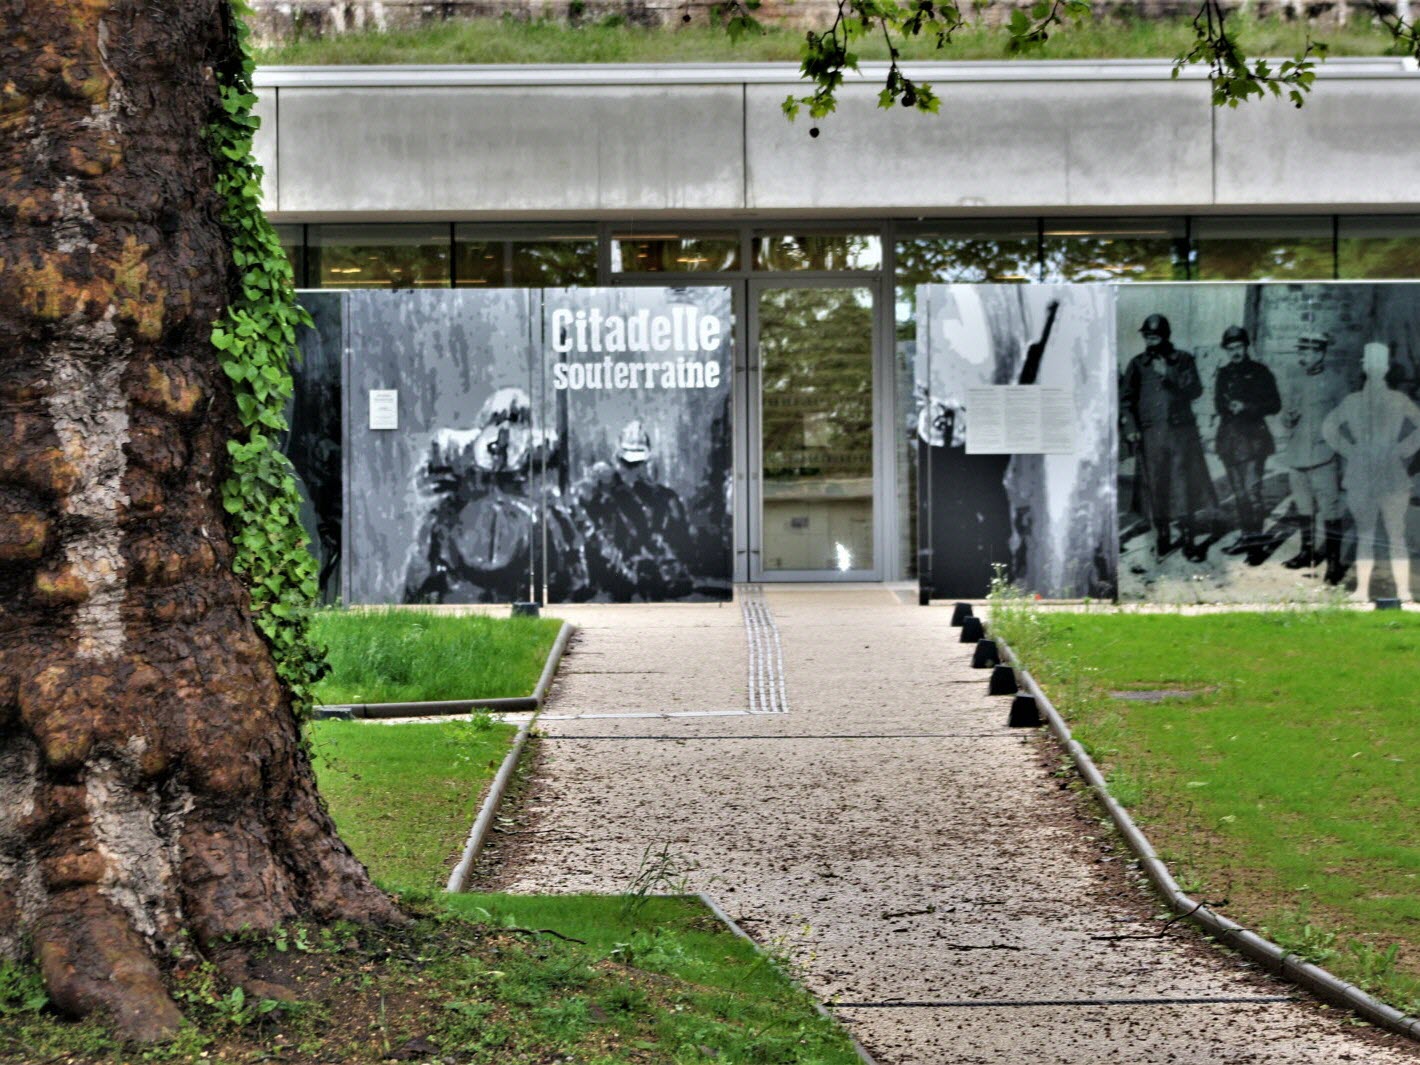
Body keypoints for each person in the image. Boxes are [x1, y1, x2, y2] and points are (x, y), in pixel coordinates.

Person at [404, 387, 585, 603]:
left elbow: (571, 566)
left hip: (513, 580)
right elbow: (427, 487)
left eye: (515, 421)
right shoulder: (454, 454)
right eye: (498, 420)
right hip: (466, 577)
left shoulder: (541, 462)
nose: (505, 430)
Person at [1321, 342, 1420, 602]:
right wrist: (1350, 450)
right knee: (1374, 533)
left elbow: (1330, 428)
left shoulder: (1396, 400)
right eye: (1371, 364)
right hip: (1370, 473)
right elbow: (1329, 427)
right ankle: (1369, 590)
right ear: (1367, 367)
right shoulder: (1358, 401)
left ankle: (1400, 592)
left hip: (1384, 473)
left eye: (1377, 364)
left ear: (1383, 368)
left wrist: (1402, 449)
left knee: (1388, 534)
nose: (1374, 369)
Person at [1120, 314, 1217, 562]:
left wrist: (1168, 375)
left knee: (1183, 486)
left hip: (1181, 435)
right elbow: (1126, 400)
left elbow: (1195, 390)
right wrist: (1131, 427)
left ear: (1165, 336)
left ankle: (1188, 541)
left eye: (1155, 336)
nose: (1150, 340)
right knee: (1156, 487)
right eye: (1147, 336)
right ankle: (1162, 535)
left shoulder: (1183, 359)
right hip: (1150, 436)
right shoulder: (1137, 364)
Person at [578, 419, 695, 601]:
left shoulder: (663, 498)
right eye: (628, 464)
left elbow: (680, 544)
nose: (633, 470)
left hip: (649, 583)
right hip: (616, 584)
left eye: (637, 464)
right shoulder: (602, 493)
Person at [1279, 331, 1347, 584]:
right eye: (1300, 351)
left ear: (1320, 353)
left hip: (1323, 457)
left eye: (1306, 352)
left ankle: (1334, 565)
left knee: (1330, 511)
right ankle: (1306, 553)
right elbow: (1285, 418)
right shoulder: (1295, 379)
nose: (1302, 356)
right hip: (1297, 456)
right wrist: (1288, 418)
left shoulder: (1336, 382)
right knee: (1304, 508)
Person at [1213, 325, 1281, 557]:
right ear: (1226, 350)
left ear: (1246, 346)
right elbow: (1218, 405)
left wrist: (1246, 407)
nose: (1235, 352)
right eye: (1230, 348)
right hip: (1229, 442)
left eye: (1239, 347)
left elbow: (1274, 404)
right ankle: (1245, 537)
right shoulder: (1223, 373)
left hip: (1253, 442)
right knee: (1240, 495)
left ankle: (1256, 546)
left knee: (1253, 495)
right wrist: (1227, 407)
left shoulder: (1260, 372)